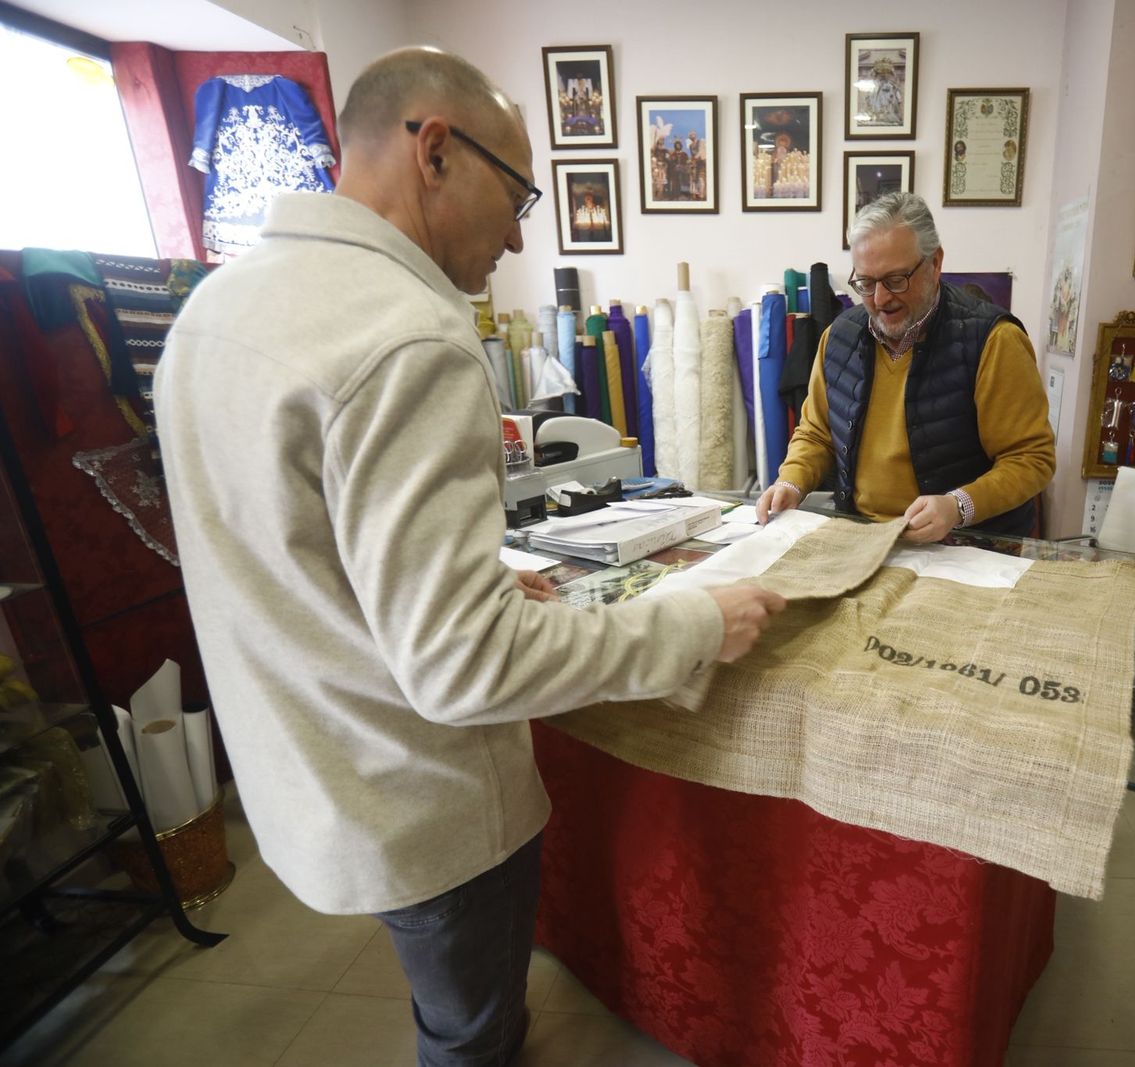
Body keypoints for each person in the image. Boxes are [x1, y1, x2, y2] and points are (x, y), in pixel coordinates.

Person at [154, 47, 784, 1067]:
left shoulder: (214, 312)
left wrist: (466, 584)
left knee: (453, 1013)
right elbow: (463, 665)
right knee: (472, 1035)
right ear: (436, 150)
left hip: (307, 777)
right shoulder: (406, 337)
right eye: (519, 189)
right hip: (421, 800)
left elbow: (296, 547)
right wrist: (694, 626)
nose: (522, 228)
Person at [756, 191, 1055, 542]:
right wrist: (791, 481)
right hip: (865, 537)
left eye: (896, 280)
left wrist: (959, 506)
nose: (880, 299)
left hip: (966, 545)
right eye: (866, 283)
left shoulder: (993, 341)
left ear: (935, 262)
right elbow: (817, 434)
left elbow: (1031, 458)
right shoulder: (838, 337)